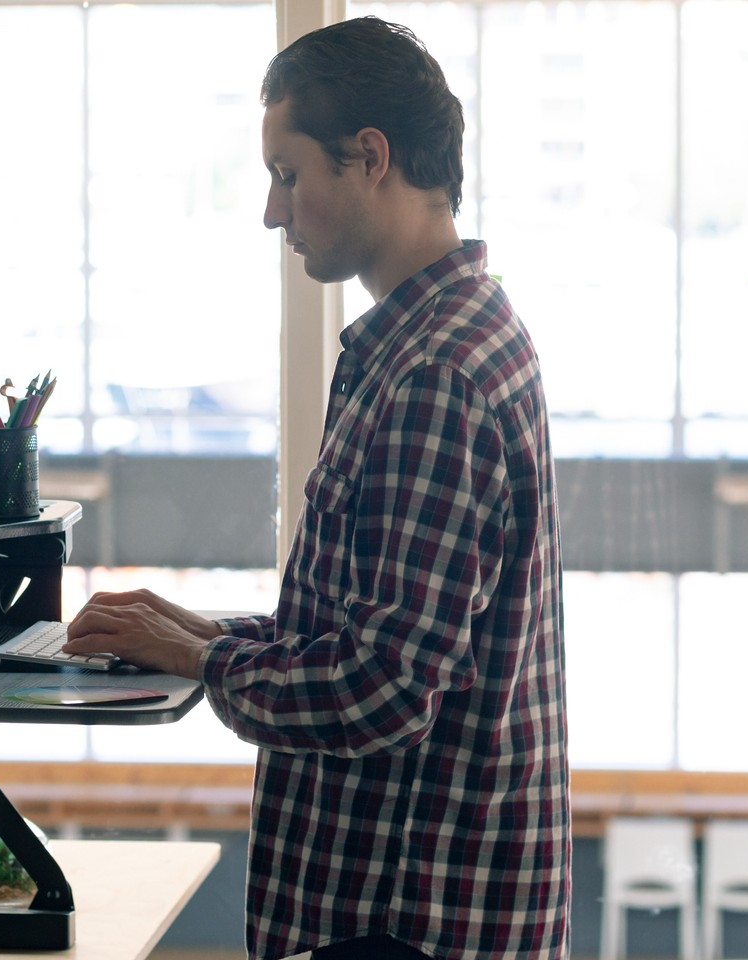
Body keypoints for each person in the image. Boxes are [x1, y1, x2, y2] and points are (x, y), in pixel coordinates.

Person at [63, 16, 569, 960]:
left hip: (402, 927)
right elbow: (375, 633)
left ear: (369, 158)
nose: (271, 211)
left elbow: (382, 690)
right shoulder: (447, 334)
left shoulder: (435, 376)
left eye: (288, 175)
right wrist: (201, 634)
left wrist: (202, 663)